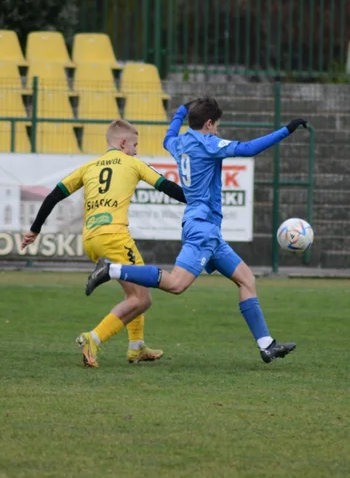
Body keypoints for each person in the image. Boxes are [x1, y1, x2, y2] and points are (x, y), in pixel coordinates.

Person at [85, 96, 308, 363]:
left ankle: (266, 345)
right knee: (177, 285)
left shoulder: (178, 143)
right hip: (203, 229)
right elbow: (248, 149)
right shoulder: (209, 143)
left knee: (246, 279)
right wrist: (287, 130)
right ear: (210, 124)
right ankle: (111, 269)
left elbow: (167, 136)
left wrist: (181, 110)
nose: (218, 130)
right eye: (217, 125)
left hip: (207, 230)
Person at [22, 119, 187, 368]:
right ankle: (93, 338)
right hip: (114, 237)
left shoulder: (89, 166)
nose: (136, 150)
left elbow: (53, 196)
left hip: (90, 240)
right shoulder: (132, 163)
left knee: (134, 292)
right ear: (122, 143)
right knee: (143, 299)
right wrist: (199, 200)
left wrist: (34, 230)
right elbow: (168, 187)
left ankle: (136, 347)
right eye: (134, 145)